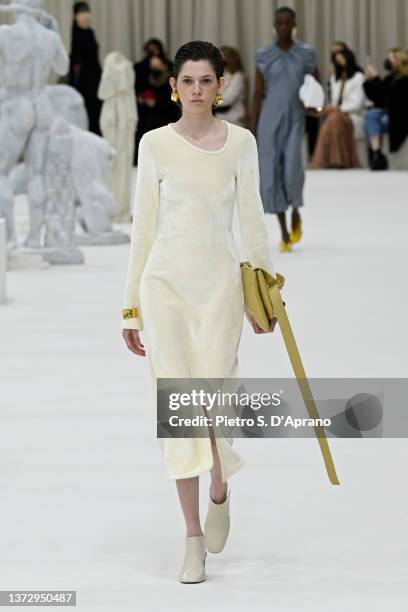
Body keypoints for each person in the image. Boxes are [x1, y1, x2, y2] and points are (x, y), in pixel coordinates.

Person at [121, 40, 278, 584]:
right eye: (186, 81)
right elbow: (143, 227)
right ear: (173, 88)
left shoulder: (240, 143)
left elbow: (252, 217)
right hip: (164, 286)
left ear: (220, 85)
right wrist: (131, 306)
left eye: (205, 81)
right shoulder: (155, 145)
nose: (195, 90)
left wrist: (266, 290)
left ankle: (219, 487)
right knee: (178, 411)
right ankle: (191, 536)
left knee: (212, 404)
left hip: (219, 288)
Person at [251, 6, 318, 252]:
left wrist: (316, 107)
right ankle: (285, 232)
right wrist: (253, 127)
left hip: (295, 117)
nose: (282, 27)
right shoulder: (264, 55)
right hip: (269, 119)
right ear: (274, 25)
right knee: (271, 173)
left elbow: (315, 86)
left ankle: (296, 209)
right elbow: (257, 93)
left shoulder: (306, 54)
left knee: (291, 169)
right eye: (278, 23)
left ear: (294, 24)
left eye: (287, 23)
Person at [308, 47, 364, 169]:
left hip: (352, 115)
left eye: (342, 59)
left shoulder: (358, 77)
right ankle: (335, 159)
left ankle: (334, 159)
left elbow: (357, 103)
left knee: (333, 119)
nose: (339, 63)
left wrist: (339, 109)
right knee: (332, 119)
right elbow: (334, 100)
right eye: (336, 60)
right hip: (336, 115)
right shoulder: (335, 79)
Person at [134, 38, 180, 164]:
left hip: (165, 109)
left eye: (155, 49)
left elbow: (174, 93)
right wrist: (141, 98)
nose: (153, 53)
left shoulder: (171, 68)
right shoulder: (140, 68)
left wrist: (158, 103)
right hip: (146, 111)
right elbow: (137, 88)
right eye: (150, 50)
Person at [363, 48, 408, 170]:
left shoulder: (405, 79)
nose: (387, 61)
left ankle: (376, 156)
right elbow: (378, 98)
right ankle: (377, 153)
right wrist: (369, 80)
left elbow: (393, 98)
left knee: (379, 120)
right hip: (388, 113)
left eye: (391, 58)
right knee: (370, 115)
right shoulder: (390, 78)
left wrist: (376, 78)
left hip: (400, 116)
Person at [68, 1, 102, 134]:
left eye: (87, 12)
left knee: (95, 113)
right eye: (82, 13)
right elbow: (75, 62)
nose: (86, 16)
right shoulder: (76, 34)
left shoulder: (90, 32)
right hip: (83, 81)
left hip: (94, 77)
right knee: (86, 113)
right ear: (76, 16)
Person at [213, 46, 247, 127]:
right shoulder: (218, 76)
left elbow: (228, 99)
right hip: (217, 120)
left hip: (232, 121)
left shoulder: (238, 77)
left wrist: (209, 101)